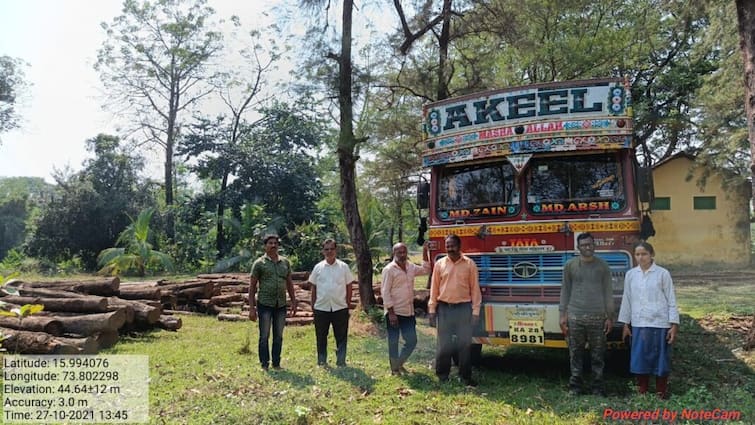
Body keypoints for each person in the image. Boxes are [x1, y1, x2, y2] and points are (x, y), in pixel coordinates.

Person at [618, 241, 679, 399]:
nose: (640, 257)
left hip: (660, 323)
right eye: (637, 254)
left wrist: (673, 325)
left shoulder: (662, 274)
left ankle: (661, 393)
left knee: (660, 360)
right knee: (640, 359)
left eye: (644, 254)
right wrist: (625, 324)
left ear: (651, 255)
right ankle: (642, 392)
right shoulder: (631, 275)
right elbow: (627, 299)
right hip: (639, 324)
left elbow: (671, 299)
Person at [559, 232, 613, 396]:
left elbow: (608, 292)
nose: (587, 247)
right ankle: (575, 386)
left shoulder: (603, 266)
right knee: (575, 353)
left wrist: (610, 317)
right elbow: (565, 290)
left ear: (594, 245)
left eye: (590, 244)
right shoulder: (570, 266)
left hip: (597, 317)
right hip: (575, 317)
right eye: (583, 245)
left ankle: (597, 387)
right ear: (578, 247)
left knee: (598, 355)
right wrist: (563, 315)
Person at [428, 234, 482, 386]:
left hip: (464, 308)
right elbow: (434, 288)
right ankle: (442, 375)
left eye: (452, 245)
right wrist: (432, 310)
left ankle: (465, 376)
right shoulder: (440, 264)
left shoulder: (469, 264)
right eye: (447, 246)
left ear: (459, 246)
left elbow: (475, 290)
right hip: (444, 308)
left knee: (464, 344)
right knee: (444, 344)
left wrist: (475, 312)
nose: (449, 249)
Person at [248, 234, 297, 371]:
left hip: (280, 304)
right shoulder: (259, 264)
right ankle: (264, 364)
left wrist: (293, 301)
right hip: (265, 304)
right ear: (265, 246)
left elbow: (289, 283)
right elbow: (252, 287)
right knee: (264, 336)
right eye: (270, 243)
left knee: (279, 336)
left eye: (275, 243)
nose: (273, 245)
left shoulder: (285, 263)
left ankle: (276, 363)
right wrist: (252, 308)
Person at [381, 242, 431, 375]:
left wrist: (425, 250)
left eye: (404, 252)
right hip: (394, 312)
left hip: (408, 311)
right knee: (393, 341)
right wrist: (391, 313)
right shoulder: (389, 270)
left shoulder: (410, 267)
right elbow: (385, 292)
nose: (402, 255)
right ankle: (394, 369)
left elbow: (426, 269)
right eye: (399, 253)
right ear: (394, 254)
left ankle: (399, 363)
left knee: (412, 340)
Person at [308, 239, 356, 367]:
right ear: (323, 251)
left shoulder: (343, 267)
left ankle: (341, 361)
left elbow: (349, 286)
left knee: (341, 336)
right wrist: (313, 306)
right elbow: (314, 287)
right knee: (321, 336)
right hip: (321, 307)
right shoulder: (318, 267)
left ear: (336, 250)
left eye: (332, 249)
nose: (329, 251)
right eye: (326, 249)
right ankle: (322, 361)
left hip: (340, 307)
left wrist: (347, 303)